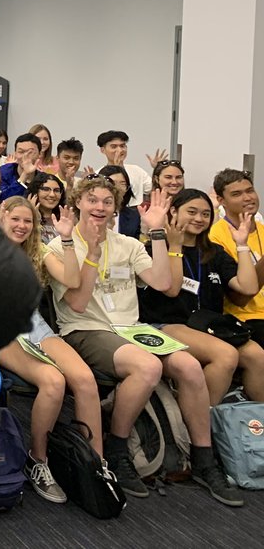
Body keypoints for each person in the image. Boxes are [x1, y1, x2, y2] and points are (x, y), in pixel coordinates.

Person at [48, 177, 240, 505]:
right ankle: (118, 448)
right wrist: (92, 253)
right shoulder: (59, 246)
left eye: (107, 202)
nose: (99, 207)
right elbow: (77, 304)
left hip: (131, 329)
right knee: (148, 367)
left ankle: (203, 459)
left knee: (190, 367)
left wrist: (158, 232)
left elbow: (165, 284)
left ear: (116, 208)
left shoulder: (128, 244)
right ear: (78, 202)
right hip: (85, 329)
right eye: (92, 200)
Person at [0, 196, 102, 503]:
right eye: (15, 219)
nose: (22, 226)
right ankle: (37, 460)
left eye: (27, 221)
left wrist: (67, 240)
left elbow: (72, 279)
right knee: (54, 381)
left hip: (34, 325)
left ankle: (95, 465)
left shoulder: (36, 251)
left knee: (85, 380)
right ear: (2, 216)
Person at [138, 188, 264, 402]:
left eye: (206, 214)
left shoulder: (213, 252)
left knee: (256, 355)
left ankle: (252, 418)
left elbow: (249, 287)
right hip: (167, 323)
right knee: (225, 355)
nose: (199, 219)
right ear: (174, 212)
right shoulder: (156, 248)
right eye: (192, 212)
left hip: (208, 325)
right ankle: (204, 416)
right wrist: (175, 245)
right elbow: (172, 289)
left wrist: (241, 245)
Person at [211, 169, 264, 345]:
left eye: (250, 191)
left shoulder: (262, 230)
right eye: (237, 194)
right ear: (221, 200)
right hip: (245, 319)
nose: (248, 198)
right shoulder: (215, 236)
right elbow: (239, 299)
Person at [95, 130, 157, 208]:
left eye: (122, 146)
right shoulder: (98, 174)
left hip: (135, 212)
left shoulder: (137, 170)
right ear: (102, 150)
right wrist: (116, 169)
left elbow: (154, 189)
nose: (120, 150)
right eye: (114, 147)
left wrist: (158, 169)